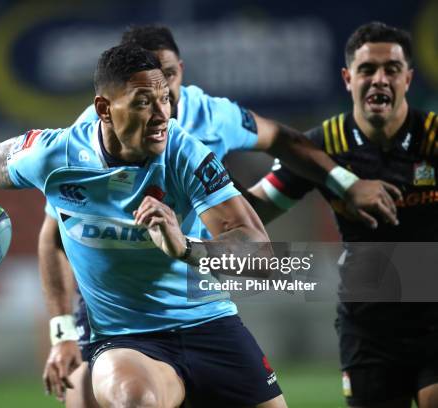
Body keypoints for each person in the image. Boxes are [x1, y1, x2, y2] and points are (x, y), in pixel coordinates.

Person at [0, 43, 287, 407]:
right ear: (104, 108)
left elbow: (260, 256)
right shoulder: (57, 154)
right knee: (134, 398)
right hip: (126, 340)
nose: (161, 115)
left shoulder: (185, 153)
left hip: (211, 325)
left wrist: (186, 247)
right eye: (143, 102)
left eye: (165, 99)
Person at [39, 25, 401, 407]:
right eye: (144, 92)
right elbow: (54, 235)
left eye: (170, 77)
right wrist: (61, 332)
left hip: (196, 297)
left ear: (180, 68)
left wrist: (344, 183)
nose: (166, 98)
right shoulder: (90, 134)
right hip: (117, 308)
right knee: (86, 396)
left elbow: (285, 142)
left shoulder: (211, 116)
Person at [249, 22, 438, 408]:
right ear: (348, 78)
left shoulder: (433, 138)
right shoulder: (322, 146)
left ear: (408, 78)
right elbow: (252, 212)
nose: (380, 79)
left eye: (392, 69)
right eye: (368, 70)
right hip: (369, 328)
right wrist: (202, 185)